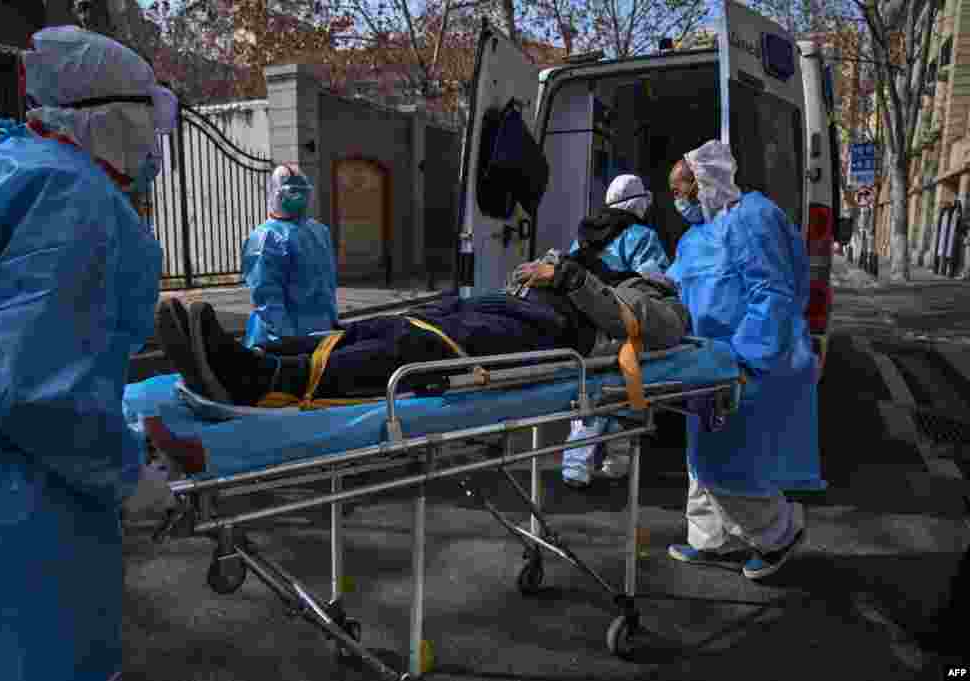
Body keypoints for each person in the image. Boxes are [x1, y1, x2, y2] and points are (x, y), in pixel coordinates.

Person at [0, 26, 175, 680]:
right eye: (147, 121)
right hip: (22, 518)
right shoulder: (79, 201)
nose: (154, 145)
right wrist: (128, 473)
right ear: (104, 120)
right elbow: (30, 386)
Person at [155, 246, 690, 408]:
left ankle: (263, 379)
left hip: (550, 336)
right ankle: (245, 356)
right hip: (515, 309)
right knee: (384, 326)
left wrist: (568, 275)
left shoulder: (661, 295)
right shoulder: (609, 266)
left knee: (413, 346)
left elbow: (652, 330)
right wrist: (536, 274)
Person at [663, 140, 815, 581]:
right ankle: (709, 539)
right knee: (700, 457)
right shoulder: (698, 235)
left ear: (704, 183)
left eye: (681, 192)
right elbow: (676, 284)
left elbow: (772, 294)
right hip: (705, 358)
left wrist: (747, 358)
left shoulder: (752, 218)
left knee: (731, 462)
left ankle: (779, 533)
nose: (678, 202)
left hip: (745, 358)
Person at [563, 173, 672, 488]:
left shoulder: (585, 233)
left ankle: (575, 467)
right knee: (625, 393)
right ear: (638, 203)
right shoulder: (642, 235)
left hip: (587, 326)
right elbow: (655, 279)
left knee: (589, 393)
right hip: (624, 321)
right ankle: (617, 462)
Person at [242, 164, 338, 349]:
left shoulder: (319, 231)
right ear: (276, 194)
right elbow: (266, 295)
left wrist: (332, 320)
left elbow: (327, 283)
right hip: (278, 339)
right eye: (293, 192)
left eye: (303, 192)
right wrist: (286, 338)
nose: (299, 197)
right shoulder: (264, 237)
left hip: (322, 331)